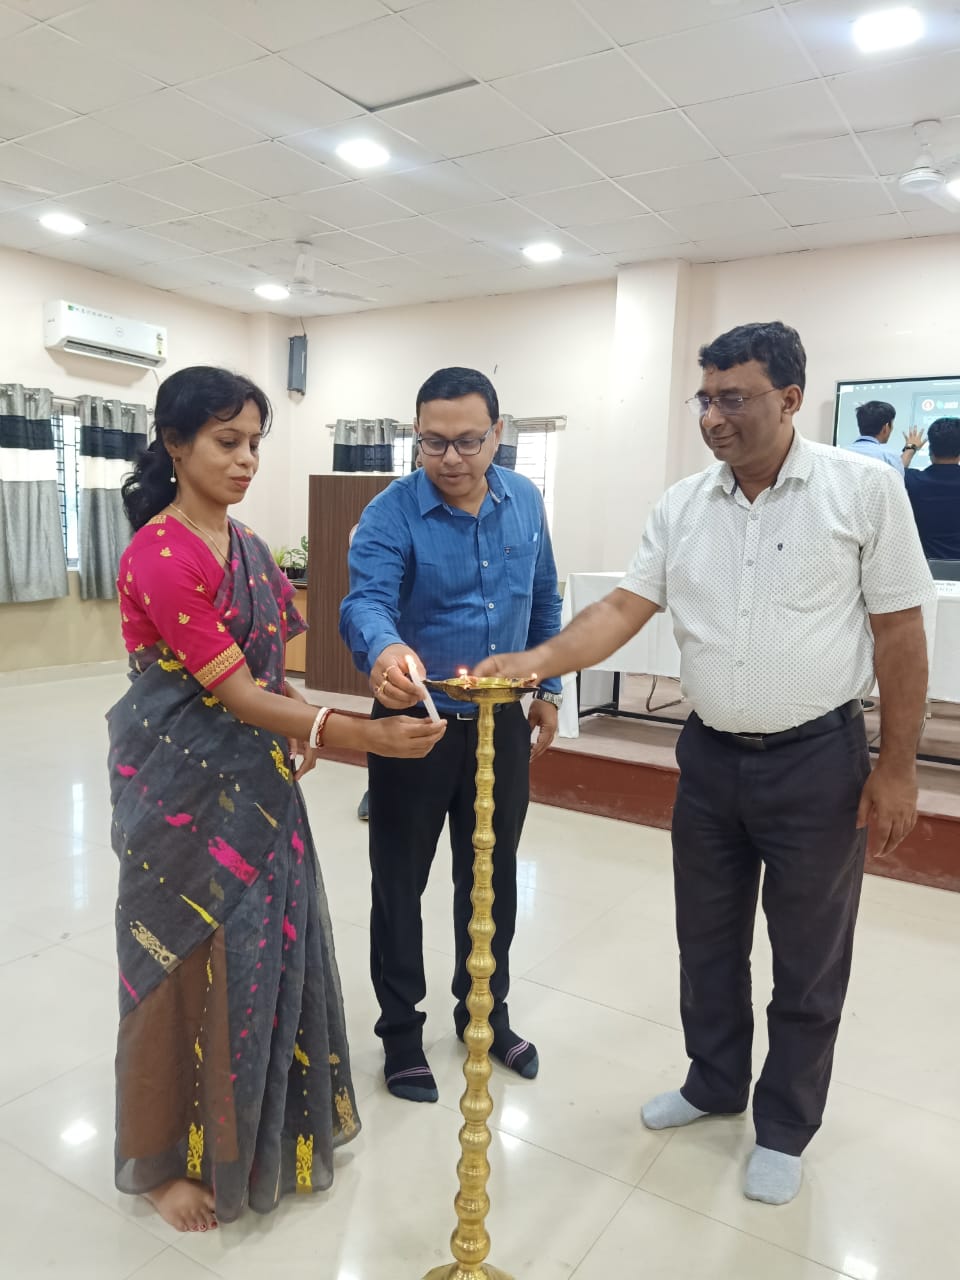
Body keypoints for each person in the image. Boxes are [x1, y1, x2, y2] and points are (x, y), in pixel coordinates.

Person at [476, 323, 933, 1205]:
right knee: (708, 940)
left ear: (790, 399)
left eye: (734, 398)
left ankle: (786, 1125)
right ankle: (714, 1082)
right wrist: (536, 662)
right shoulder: (684, 505)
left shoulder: (862, 490)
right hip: (712, 762)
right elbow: (622, 608)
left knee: (809, 956)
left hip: (819, 764)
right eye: (705, 398)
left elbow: (901, 632)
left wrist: (899, 767)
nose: (713, 418)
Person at [108, 366, 445, 1232]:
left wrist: (300, 720)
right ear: (175, 444)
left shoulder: (251, 548)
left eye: (256, 443)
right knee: (180, 958)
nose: (247, 460)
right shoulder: (160, 553)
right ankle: (164, 1164)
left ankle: (264, 1134)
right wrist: (358, 734)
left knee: (265, 950)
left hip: (258, 788)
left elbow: (265, 674)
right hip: (179, 791)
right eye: (228, 442)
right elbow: (232, 692)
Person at [339, 366, 562, 1103]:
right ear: (416, 436)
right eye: (433, 442)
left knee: (492, 879)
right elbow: (366, 604)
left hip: (502, 723)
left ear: (498, 433)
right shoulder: (390, 513)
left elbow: (544, 600)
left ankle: (487, 1016)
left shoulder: (524, 500)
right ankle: (401, 1036)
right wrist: (385, 653)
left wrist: (549, 690)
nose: (451, 458)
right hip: (416, 724)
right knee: (400, 884)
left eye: (469, 441)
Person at [904, 416, 960, 559]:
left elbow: (892, 472)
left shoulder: (912, 480)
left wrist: (910, 448)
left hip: (924, 565)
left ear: (930, 450)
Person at [845, 399, 925, 475]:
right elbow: (898, 474)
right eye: (892, 424)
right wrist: (911, 447)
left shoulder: (842, 453)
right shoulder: (888, 457)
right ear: (885, 428)